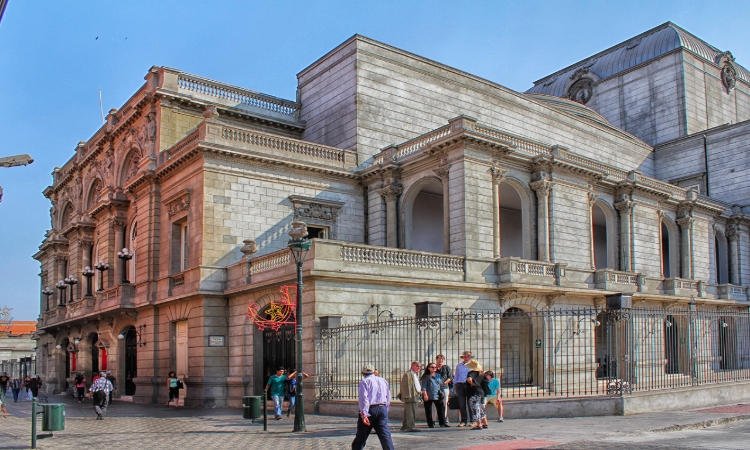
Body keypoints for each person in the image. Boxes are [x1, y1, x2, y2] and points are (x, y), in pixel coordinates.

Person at [351, 364, 394, 450]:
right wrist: (386, 409)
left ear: (363, 373)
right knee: (385, 434)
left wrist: (364, 413)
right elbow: (388, 396)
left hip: (370, 409)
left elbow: (364, 398)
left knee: (362, 435)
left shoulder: (364, 382)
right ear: (374, 371)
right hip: (382, 408)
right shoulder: (383, 380)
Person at [421, 362, 447, 428]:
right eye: (432, 367)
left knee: (441, 408)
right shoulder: (426, 376)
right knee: (428, 410)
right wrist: (425, 395)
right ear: (429, 368)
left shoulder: (438, 375)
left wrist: (442, 392)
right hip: (429, 394)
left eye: (435, 367)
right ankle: (430, 424)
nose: (434, 368)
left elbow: (440, 384)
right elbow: (423, 387)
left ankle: (442, 423)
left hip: (438, 394)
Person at [399, 360, 422, 432]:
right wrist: (407, 396)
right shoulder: (408, 374)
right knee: (411, 412)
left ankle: (405, 426)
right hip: (411, 396)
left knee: (408, 412)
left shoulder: (414, 374)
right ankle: (410, 426)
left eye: (420, 366)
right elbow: (405, 386)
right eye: (417, 366)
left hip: (414, 395)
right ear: (412, 366)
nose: (419, 368)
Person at [453, 350, 472, 427]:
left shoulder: (473, 365)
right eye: (465, 357)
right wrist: (455, 387)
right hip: (460, 384)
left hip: (470, 385)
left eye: (468, 356)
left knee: (470, 403)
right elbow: (456, 376)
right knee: (462, 404)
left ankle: (473, 420)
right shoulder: (459, 366)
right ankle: (463, 420)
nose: (466, 358)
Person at [435, 354, 452, 425]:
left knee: (444, 403)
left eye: (442, 359)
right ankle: (434, 418)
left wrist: (445, 382)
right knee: (435, 404)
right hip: (435, 388)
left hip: (444, 387)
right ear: (436, 360)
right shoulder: (433, 367)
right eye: (439, 359)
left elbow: (450, 377)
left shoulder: (446, 367)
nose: (440, 361)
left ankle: (444, 418)